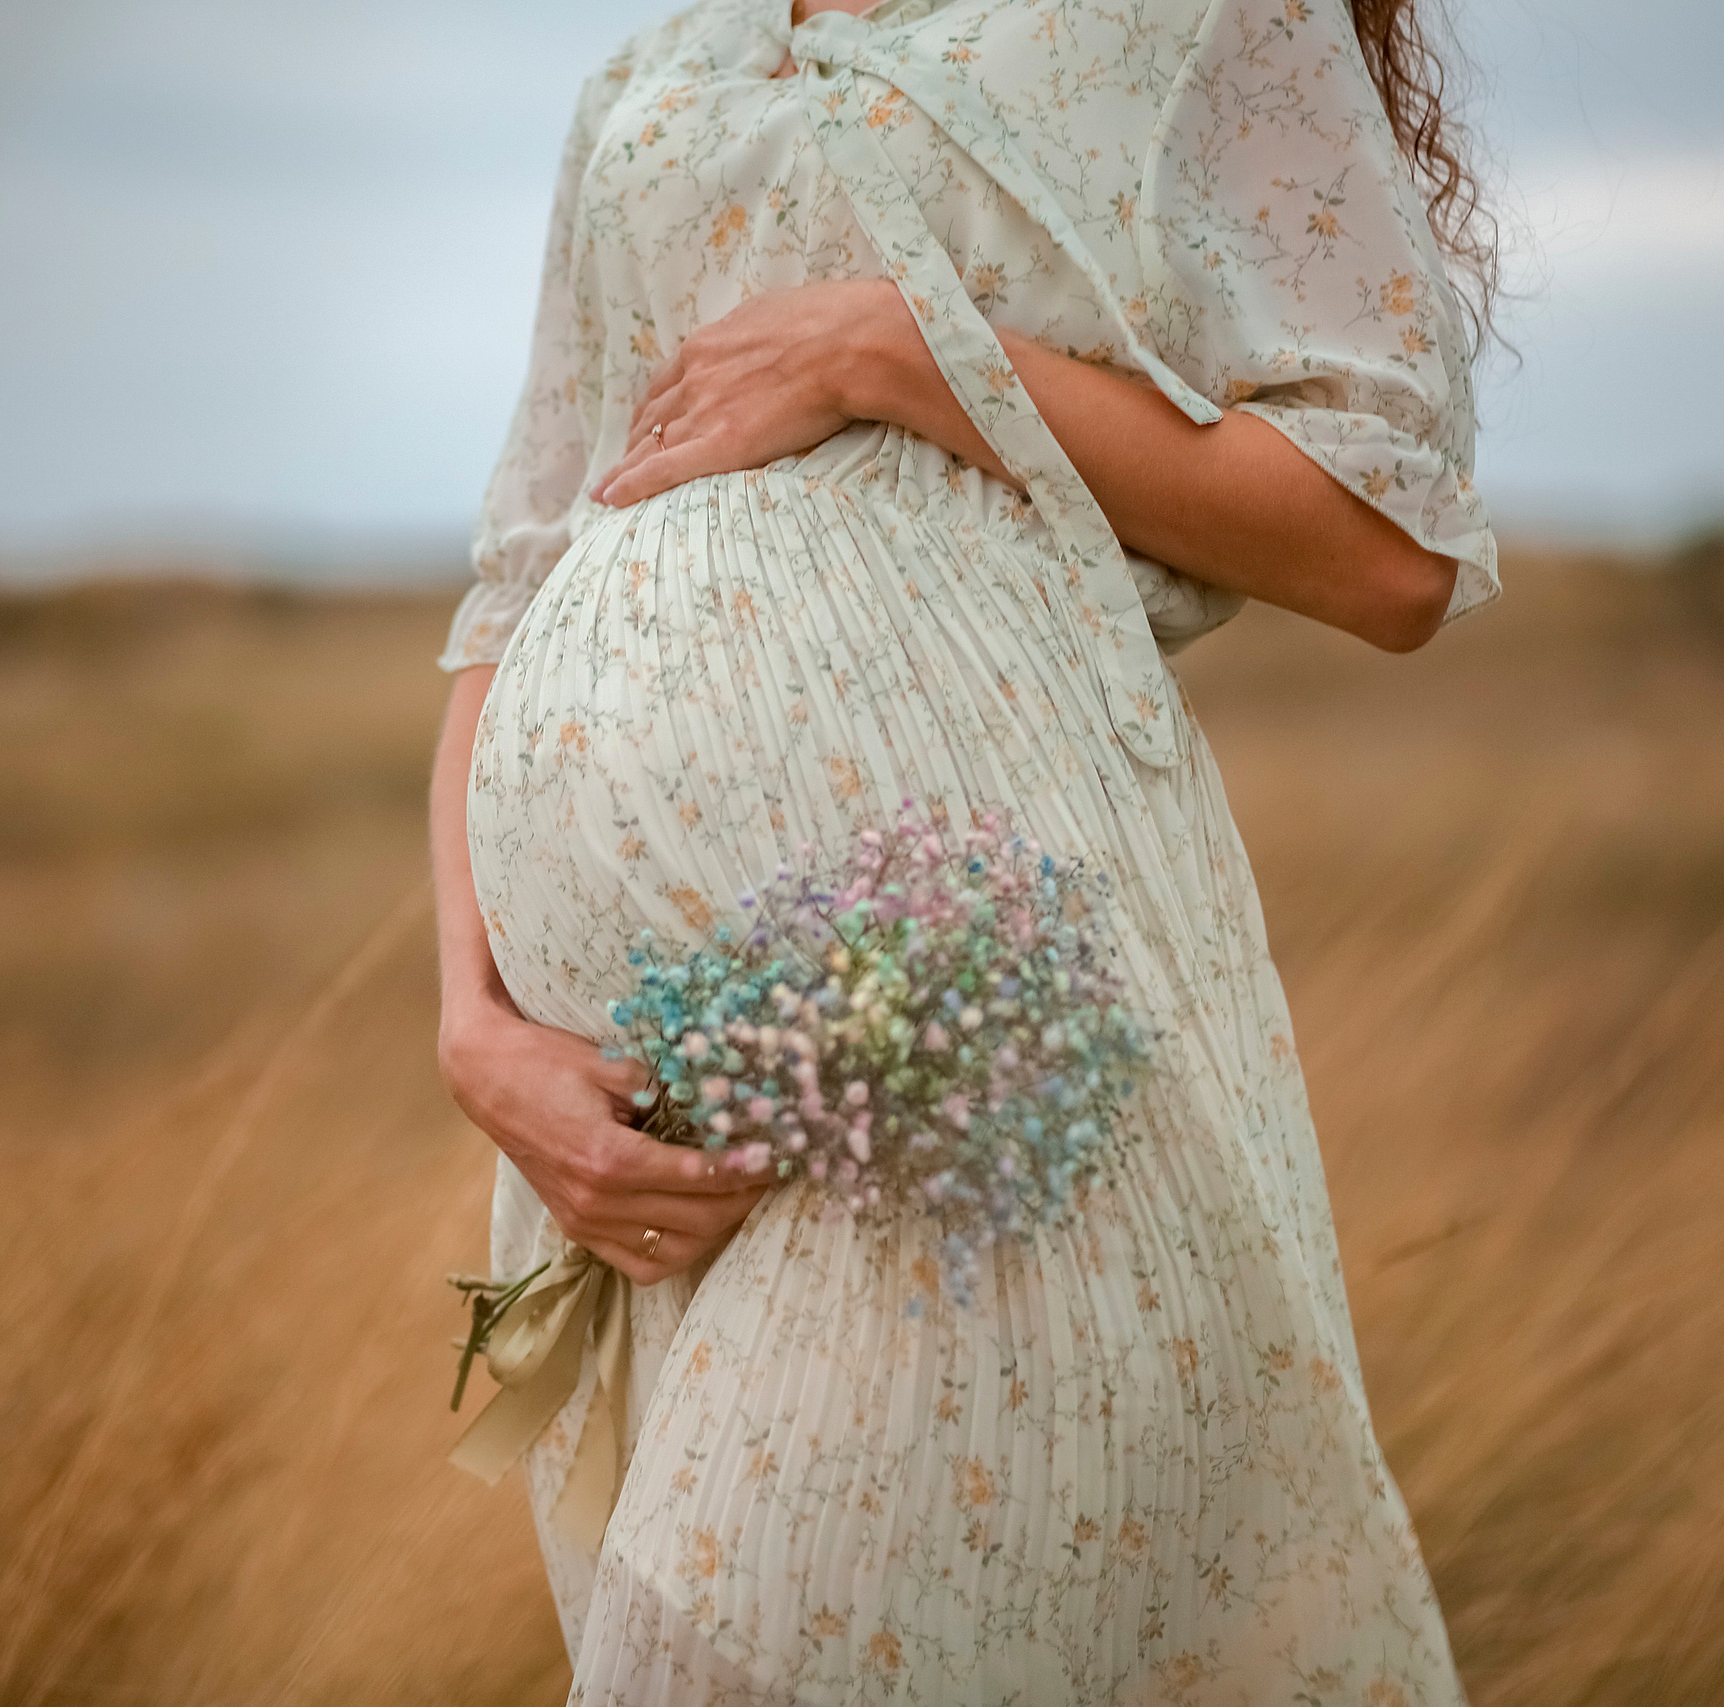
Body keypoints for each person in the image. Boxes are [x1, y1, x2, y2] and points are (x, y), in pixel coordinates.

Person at [430, 0, 1499, 1697]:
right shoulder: (656, 75)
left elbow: (1386, 547)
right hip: (656, 1109)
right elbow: (526, 572)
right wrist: (476, 1027)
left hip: (989, 1029)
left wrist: (899, 355)